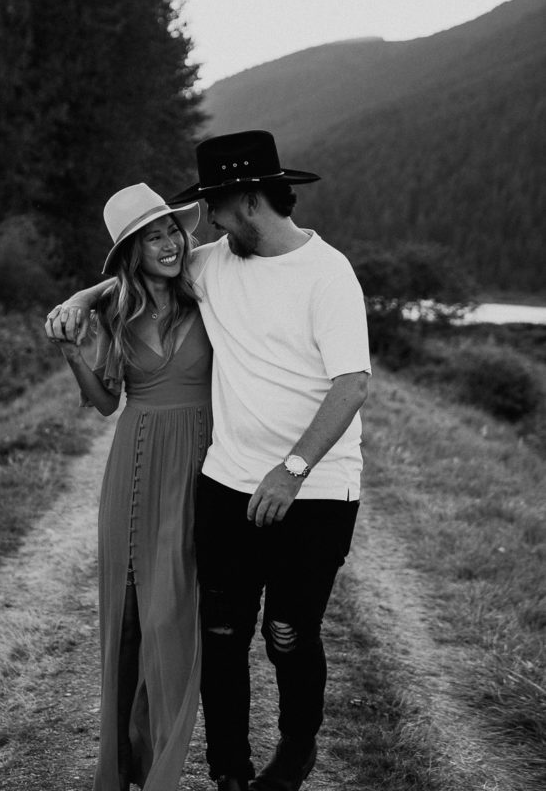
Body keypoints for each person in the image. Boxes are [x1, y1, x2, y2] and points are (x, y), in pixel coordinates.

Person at [49, 130, 371, 791]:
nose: (203, 232)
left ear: (247, 201)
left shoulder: (327, 273)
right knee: (222, 633)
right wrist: (81, 300)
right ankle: (229, 771)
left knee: (286, 632)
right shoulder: (213, 262)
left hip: (314, 488)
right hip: (225, 483)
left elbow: (351, 384)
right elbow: (132, 277)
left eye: (213, 212)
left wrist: (293, 468)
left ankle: (296, 746)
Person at [46, 182, 212, 791]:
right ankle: (122, 767)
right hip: (133, 467)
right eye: (151, 238)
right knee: (129, 618)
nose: (168, 244)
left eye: (171, 230)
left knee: (175, 618)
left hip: (198, 466)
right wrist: (73, 354)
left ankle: (165, 764)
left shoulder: (209, 292)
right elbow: (106, 403)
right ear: (131, 254)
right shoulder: (118, 313)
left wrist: (81, 292)